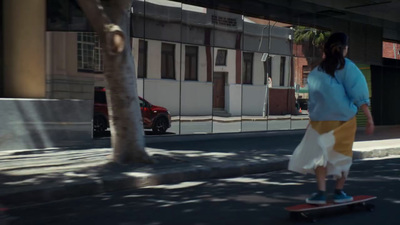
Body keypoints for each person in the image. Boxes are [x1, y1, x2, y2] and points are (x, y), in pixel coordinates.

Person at [288, 32, 374, 205]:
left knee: (321, 156)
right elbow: (359, 93)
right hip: (343, 120)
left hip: (320, 121)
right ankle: (338, 192)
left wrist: (310, 121)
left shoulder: (316, 71)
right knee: (342, 155)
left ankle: (320, 193)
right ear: (344, 49)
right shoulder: (347, 67)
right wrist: (369, 119)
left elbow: (314, 100)